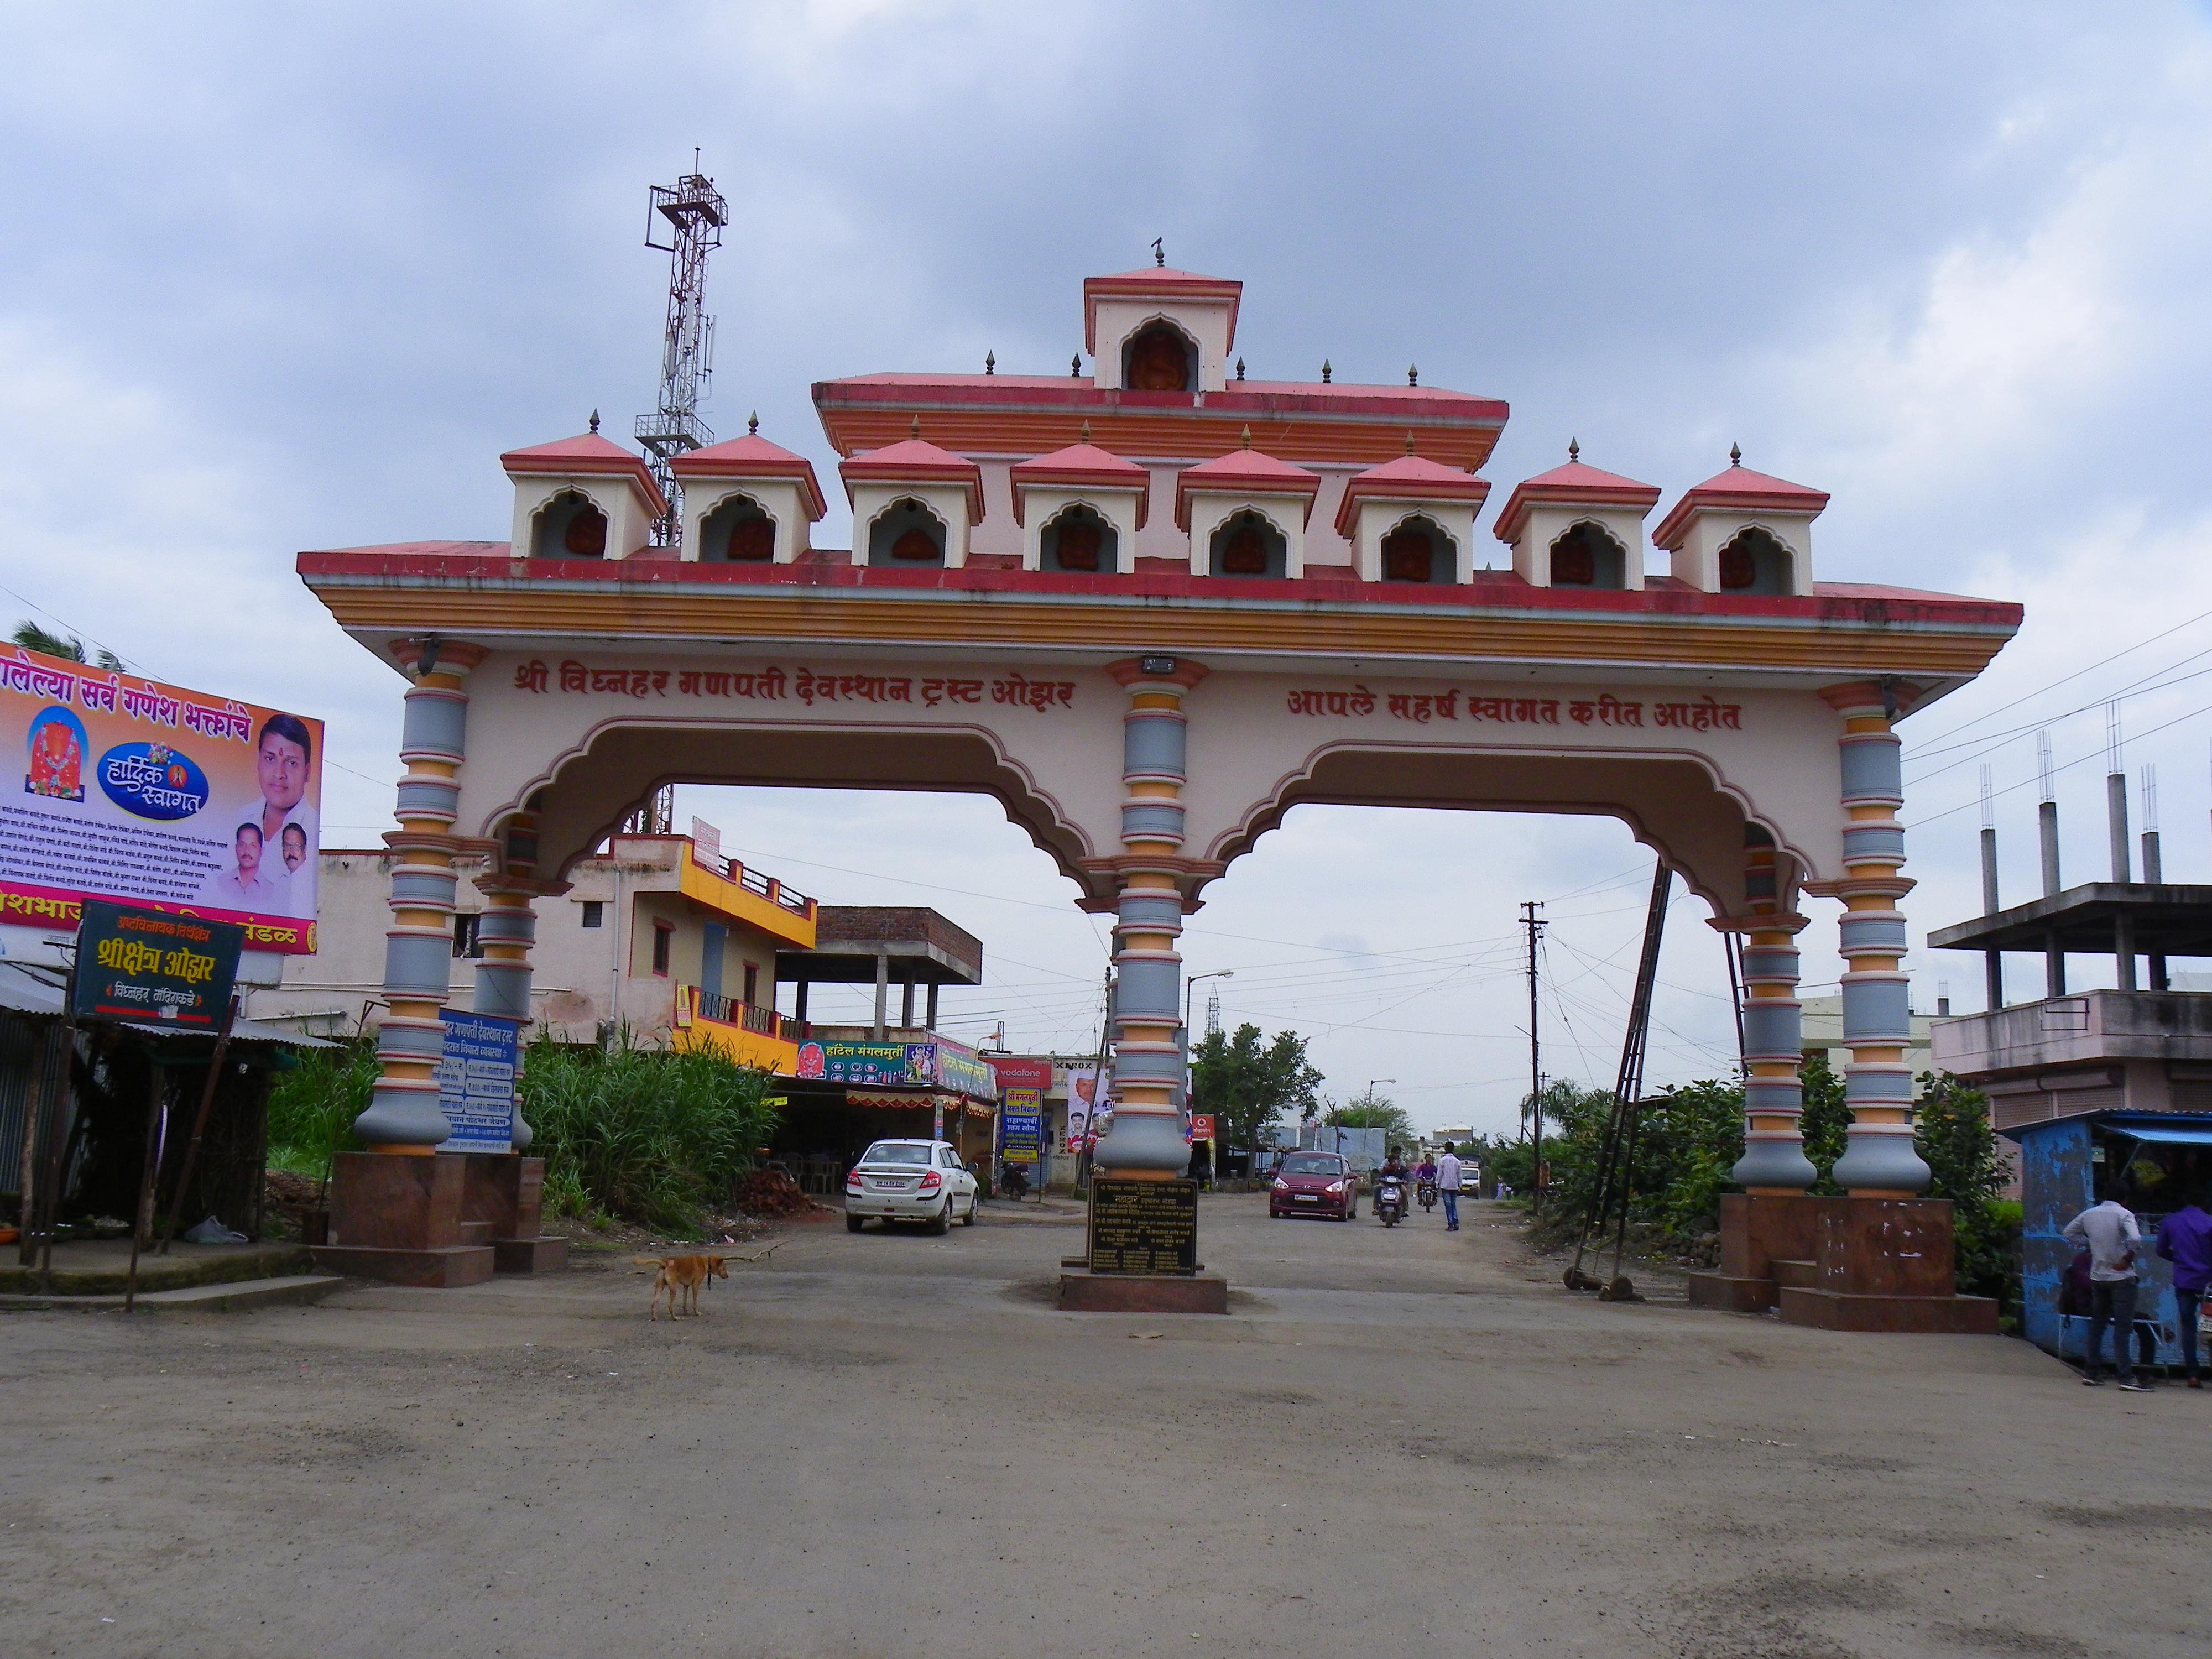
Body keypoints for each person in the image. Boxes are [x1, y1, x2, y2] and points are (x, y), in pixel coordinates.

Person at [2064, 1192, 2149, 1390]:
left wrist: (2089, 1244)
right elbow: (2136, 1238)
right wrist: (2127, 1258)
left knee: (2098, 1326)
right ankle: (2126, 1377)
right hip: (2121, 1277)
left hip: (2098, 1277)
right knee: (2123, 1327)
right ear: (2125, 1198)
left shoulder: (2089, 1214)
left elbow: (2068, 1233)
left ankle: (2092, 1373)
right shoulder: (2124, 1214)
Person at [2156, 1192, 2212, 1389]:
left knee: (2188, 1327)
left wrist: (2179, 1259)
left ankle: (2193, 1375)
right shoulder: (2209, 1222)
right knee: (2211, 1326)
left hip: (2185, 1282)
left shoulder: (2172, 1221)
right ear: (2205, 1203)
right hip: (2208, 1284)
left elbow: (2161, 1250)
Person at [207, 822, 275, 906]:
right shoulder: (221, 882)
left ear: (261, 851)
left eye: (253, 846)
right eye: (242, 845)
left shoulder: (270, 891)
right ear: (236, 848)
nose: (247, 851)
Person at [1437, 1141, 1464, 1232]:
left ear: (1445, 1149)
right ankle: (1456, 1222)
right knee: (1453, 1204)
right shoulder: (1457, 1161)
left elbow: (1439, 1174)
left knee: (1448, 1205)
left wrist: (1437, 1183)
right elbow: (1460, 1175)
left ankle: (1451, 1223)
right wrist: (1460, 1185)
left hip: (1445, 1186)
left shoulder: (1442, 1161)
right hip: (1455, 1186)